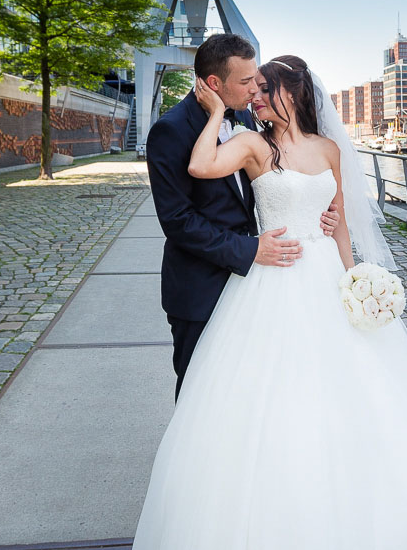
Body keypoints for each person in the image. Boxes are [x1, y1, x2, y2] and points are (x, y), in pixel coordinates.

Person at [122, 54, 407, 550]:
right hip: (273, 281)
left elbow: (342, 221)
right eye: (249, 87)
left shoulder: (328, 151)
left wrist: (358, 283)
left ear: (291, 94)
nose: (254, 96)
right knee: (268, 407)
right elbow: (201, 166)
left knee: (360, 405)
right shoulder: (254, 146)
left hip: (325, 277)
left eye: (264, 88)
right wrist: (209, 114)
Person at [144, 34, 339, 400]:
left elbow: (287, 175)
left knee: (257, 390)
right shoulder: (169, 131)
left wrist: (325, 214)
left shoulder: (251, 119)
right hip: (201, 285)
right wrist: (250, 250)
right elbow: (177, 220)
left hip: (263, 285)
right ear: (215, 84)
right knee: (200, 395)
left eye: (258, 82)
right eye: (247, 82)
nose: (255, 90)